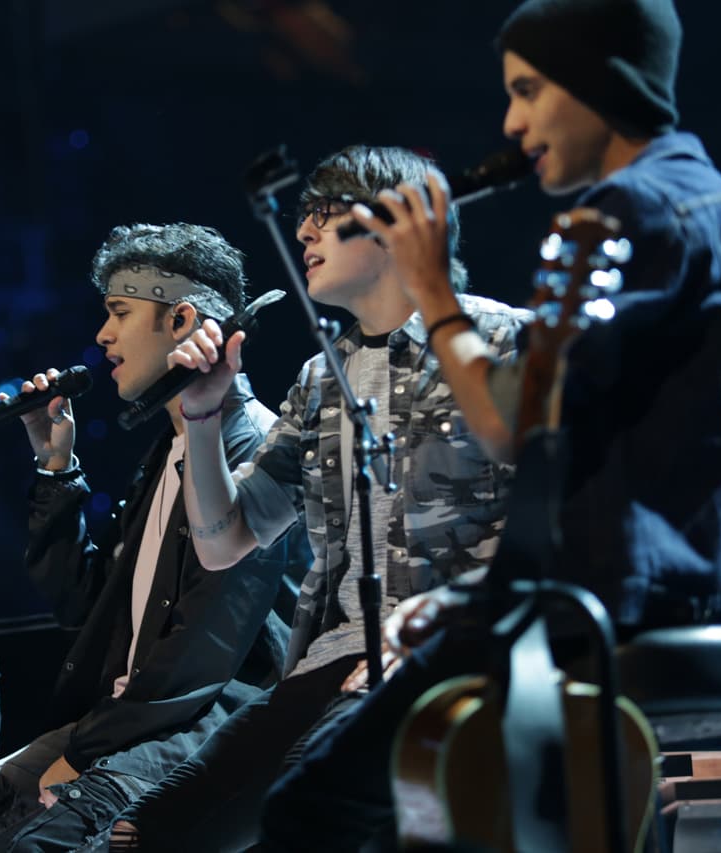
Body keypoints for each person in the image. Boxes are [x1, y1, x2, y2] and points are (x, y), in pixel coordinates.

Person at [254, 1, 721, 849]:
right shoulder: (711, 204)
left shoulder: (633, 211)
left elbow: (510, 425)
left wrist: (431, 289)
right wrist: (470, 594)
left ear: (600, 81)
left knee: (306, 809)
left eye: (530, 90)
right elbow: (582, 454)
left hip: (593, 615)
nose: (512, 122)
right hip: (647, 596)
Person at [104, 146, 531, 852]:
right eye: (302, 215)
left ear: (400, 222)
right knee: (143, 833)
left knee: (310, 807)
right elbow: (224, 540)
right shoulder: (319, 378)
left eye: (326, 213)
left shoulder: (500, 340)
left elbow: (549, 518)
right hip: (332, 659)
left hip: (456, 647)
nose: (303, 231)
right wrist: (205, 418)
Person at [0, 222, 309, 852]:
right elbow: (85, 608)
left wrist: (87, 750)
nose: (103, 335)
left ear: (181, 322)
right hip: (122, 724)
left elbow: (202, 654)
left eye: (119, 312)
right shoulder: (165, 453)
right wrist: (56, 470)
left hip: (195, 729)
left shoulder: (249, 445)